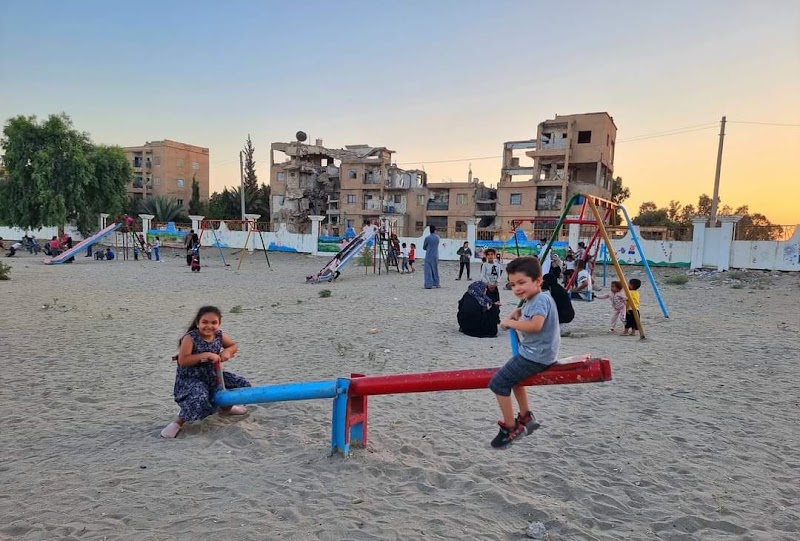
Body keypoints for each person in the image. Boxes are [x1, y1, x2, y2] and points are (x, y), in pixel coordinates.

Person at [489, 257, 560, 448]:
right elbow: (530, 311)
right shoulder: (533, 299)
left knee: (498, 383)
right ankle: (525, 416)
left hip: (536, 356)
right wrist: (518, 312)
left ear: (538, 281)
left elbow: (536, 325)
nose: (517, 288)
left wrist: (510, 323)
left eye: (522, 282)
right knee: (514, 379)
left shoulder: (540, 300)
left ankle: (510, 428)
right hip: (538, 353)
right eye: (513, 285)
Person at [161, 306, 252, 438]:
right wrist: (206, 355)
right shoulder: (190, 338)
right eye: (205, 322)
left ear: (219, 324)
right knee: (199, 398)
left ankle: (226, 408)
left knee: (241, 383)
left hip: (213, 374)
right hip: (191, 378)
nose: (209, 326)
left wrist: (227, 352)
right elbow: (183, 360)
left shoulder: (219, 335)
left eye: (214, 322)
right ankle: (178, 422)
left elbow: (233, 345)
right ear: (198, 323)